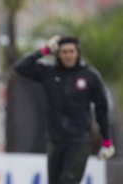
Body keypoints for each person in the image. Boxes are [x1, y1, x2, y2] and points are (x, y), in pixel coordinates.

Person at [14, 36, 115, 184]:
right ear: (58, 54)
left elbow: (101, 109)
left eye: (71, 51)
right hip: (55, 140)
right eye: (64, 52)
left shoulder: (89, 76)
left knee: (68, 181)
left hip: (79, 140)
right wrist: (45, 50)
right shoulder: (49, 72)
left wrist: (107, 140)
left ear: (77, 53)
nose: (68, 55)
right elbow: (20, 67)